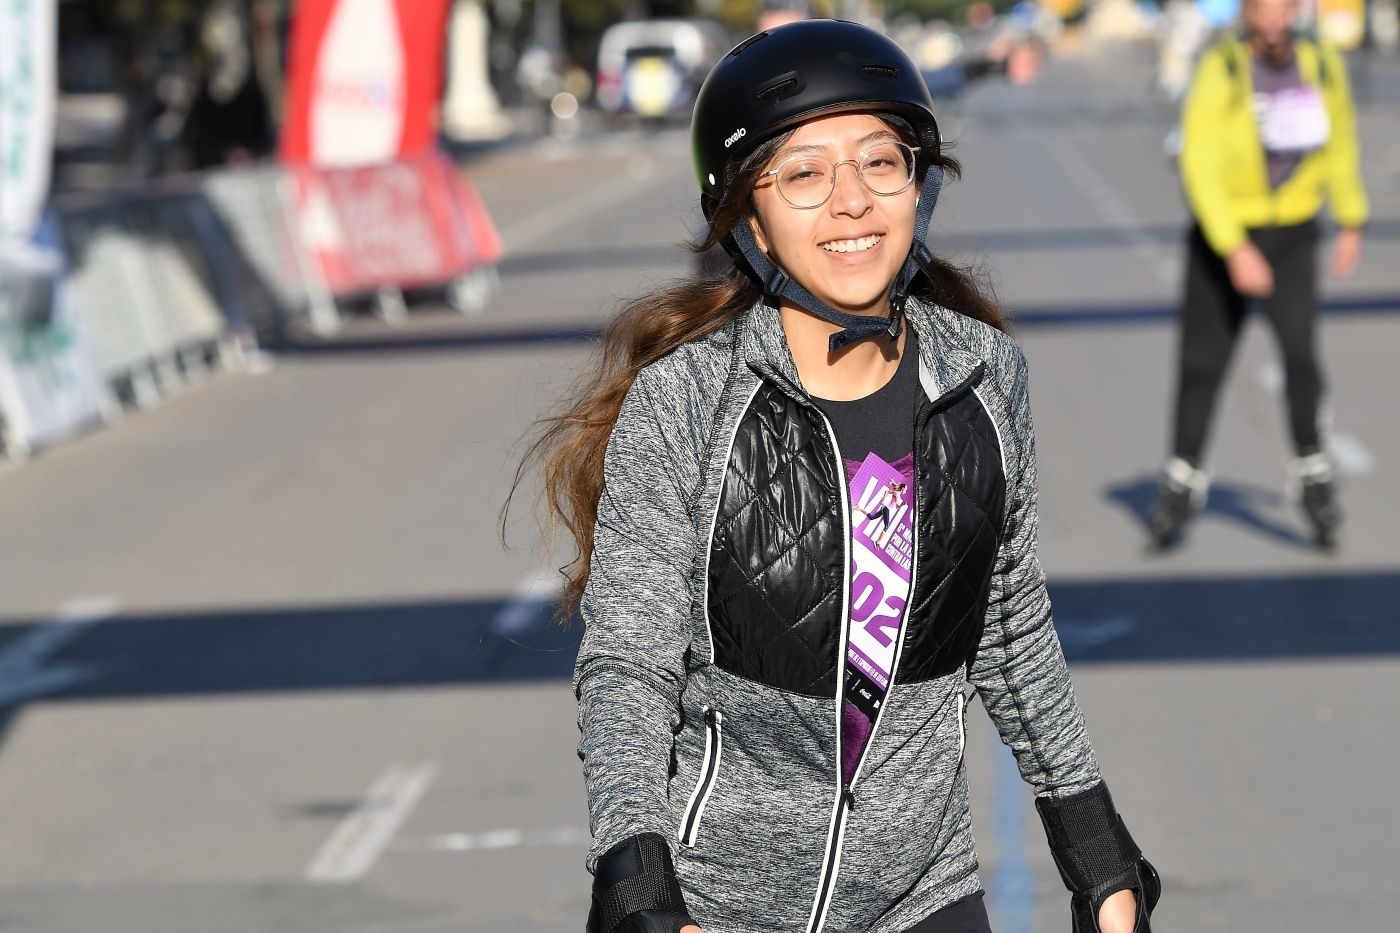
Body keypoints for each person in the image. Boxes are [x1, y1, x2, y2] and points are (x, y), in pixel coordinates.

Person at [523, 20, 1160, 933]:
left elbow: (1011, 630)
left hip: (925, 898)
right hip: (720, 908)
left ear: (918, 186)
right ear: (750, 218)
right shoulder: (687, 403)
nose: (852, 202)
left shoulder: (984, 378)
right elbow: (629, 666)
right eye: (806, 175)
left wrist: (1099, 853)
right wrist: (637, 881)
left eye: (879, 163)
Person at [1148, 0, 1368, 549]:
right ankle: (1181, 483)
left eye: (1283, 9)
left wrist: (1351, 217)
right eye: (1261, 10)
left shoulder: (1319, 62)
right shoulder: (1220, 66)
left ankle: (1313, 474)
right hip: (1226, 236)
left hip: (1293, 233)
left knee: (1301, 357)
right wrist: (1235, 246)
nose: (1273, 22)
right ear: (1245, 12)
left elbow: (1339, 139)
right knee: (1203, 366)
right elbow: (1198, 159)